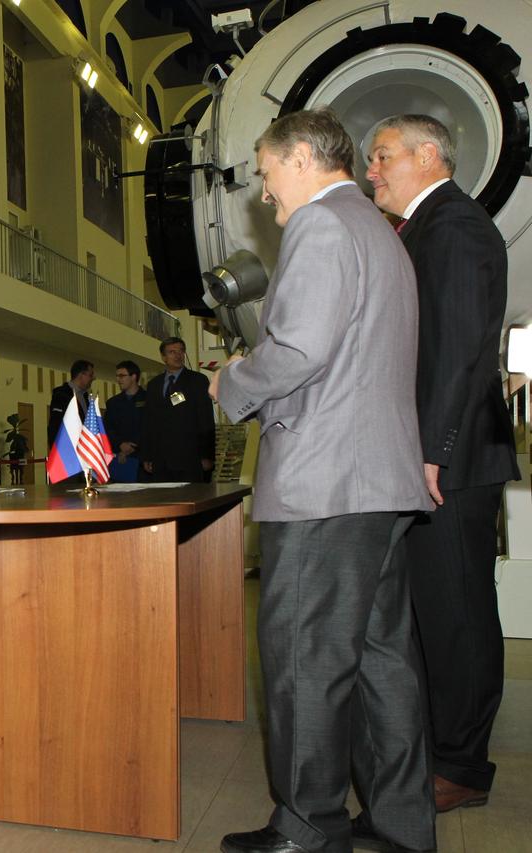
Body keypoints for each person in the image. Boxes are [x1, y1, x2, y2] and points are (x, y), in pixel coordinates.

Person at [210, 107, 435, 853]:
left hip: (324, 485)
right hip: (377, 484)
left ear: (302, 158)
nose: (264, 191)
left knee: (305, 661)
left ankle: (308, 827)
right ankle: (401, 822)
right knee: (380, 662)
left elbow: (298, 350)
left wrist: (232, 382)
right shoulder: (379, 231)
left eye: (267, 172)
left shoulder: (321, 224)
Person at [366, 114, 521, 815]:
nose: (372, 171)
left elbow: (455, 349)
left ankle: (460, 765)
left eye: (382, 156)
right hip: (433, 455)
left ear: (428, 155)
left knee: (457, 611)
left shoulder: (453, 225)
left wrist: (434, 451)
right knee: (433, 611)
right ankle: (436, 748)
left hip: (448, 462)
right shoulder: (423, 227)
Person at [141, 337, 214, 482]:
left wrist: (207, 455)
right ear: (163, 357)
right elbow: (148, 422)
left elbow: (206, 420)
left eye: (181, 351)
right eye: (172, 352)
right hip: (160, 459)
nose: (178, 355)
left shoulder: (198, 381)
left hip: (189, 458)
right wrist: (147, 455)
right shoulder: (154, 384)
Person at [104, 360, 145, 483]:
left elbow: (151, 427)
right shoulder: (113, 403)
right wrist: (121, 444)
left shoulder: (149, 399)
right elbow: (108, 428)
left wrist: (133, 446)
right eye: (117, 376)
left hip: (143, 458)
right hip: (119, 457)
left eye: (122, 376)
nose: (118, 379)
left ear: (134, 377)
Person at [47, 359, 94, 447]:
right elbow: (55, 426)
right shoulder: (61, 395)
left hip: (85, 448)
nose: (93, 378)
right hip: (68, 448)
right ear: (81, 375)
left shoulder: (85, 397)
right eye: (90, 375)